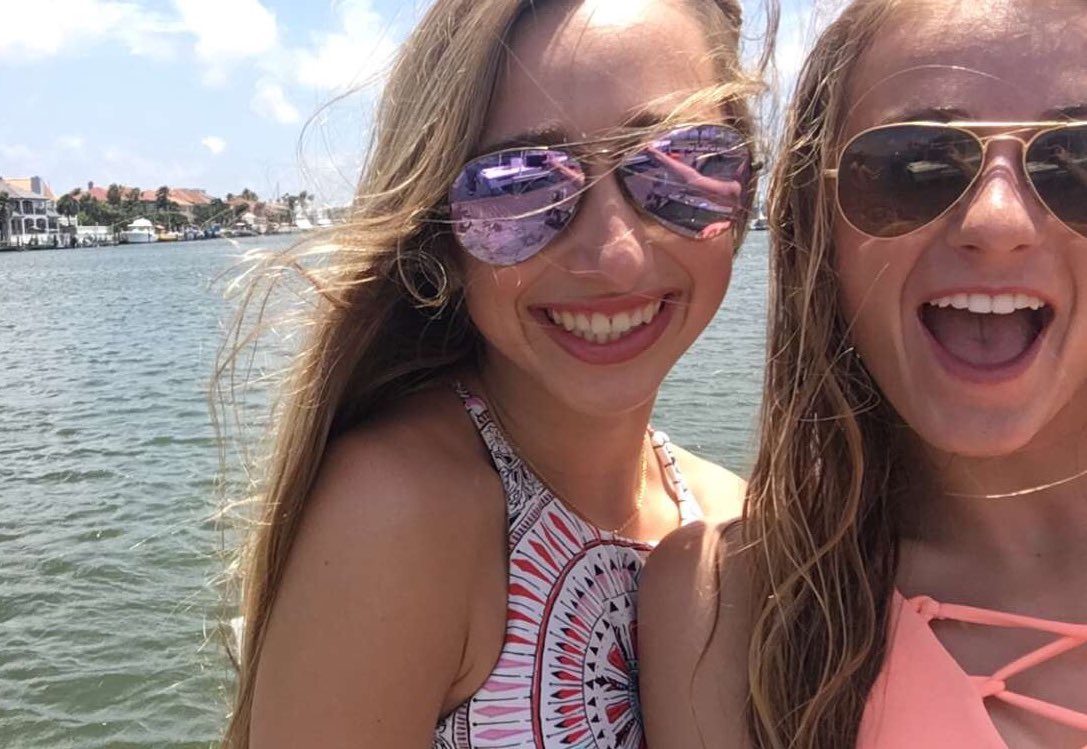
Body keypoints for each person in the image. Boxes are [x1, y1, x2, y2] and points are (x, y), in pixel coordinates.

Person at [217, 0, 773, 746]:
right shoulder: (403, 515)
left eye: (681, 165)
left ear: (743, 191)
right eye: (520, 185)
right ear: (440, 239)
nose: (615, 255)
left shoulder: (732, 515)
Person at [639, 0, 1087, 747]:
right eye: (913, 168)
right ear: (815, 231)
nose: (997, 222)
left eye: (1075, 164)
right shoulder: (731, 610)